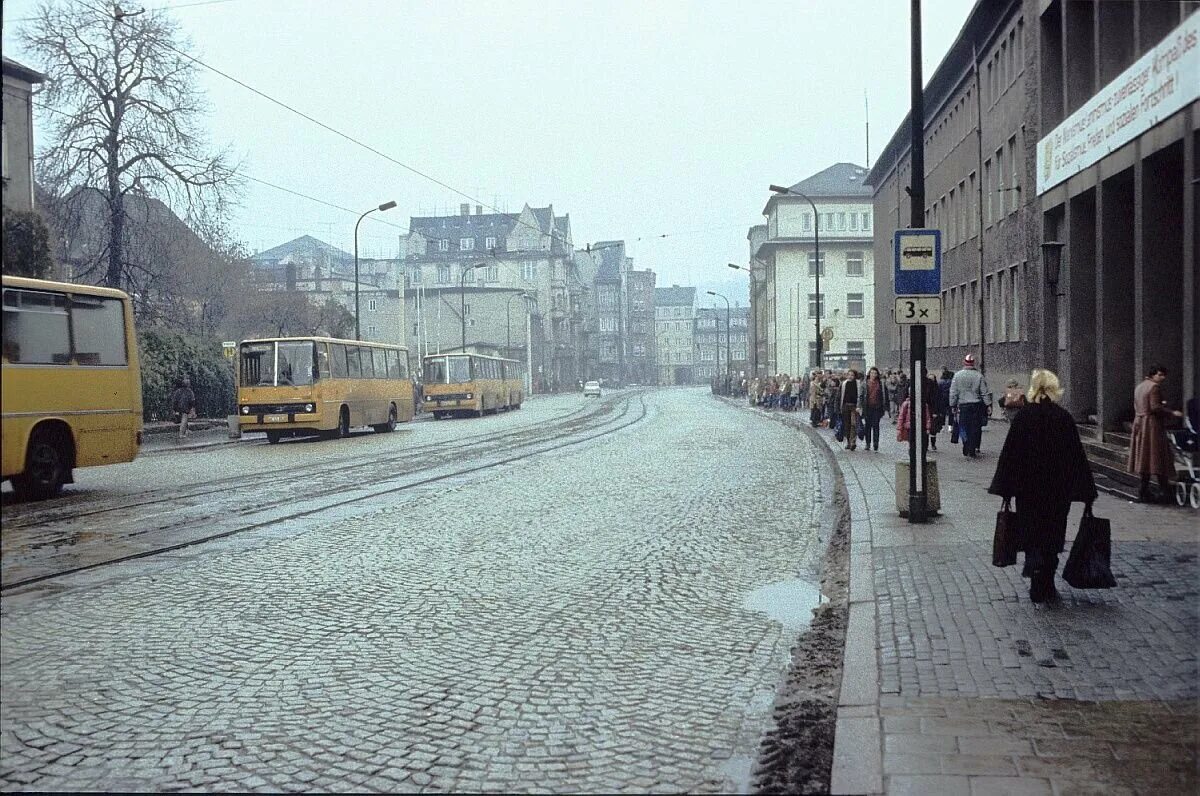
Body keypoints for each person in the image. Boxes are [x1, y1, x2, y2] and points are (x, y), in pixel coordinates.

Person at [988, 369, 1097, 603]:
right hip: (1057, 491)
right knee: (1053, 533)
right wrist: (1086, 490)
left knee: (1031, 532)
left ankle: (1035, 571)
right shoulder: (1063, 418)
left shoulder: (1024, 418)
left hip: (1028, 491)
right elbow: (1076, 456)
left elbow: (1010, 455)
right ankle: (1046, 579)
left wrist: (1005, 487)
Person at [1127, 364, 1184, 503]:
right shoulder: (1154, 387)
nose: (1162, 378)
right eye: (1160, 374)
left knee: (1145, 457)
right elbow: (1155, 407)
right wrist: (1171, 412)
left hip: (1140, 423)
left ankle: (1144, 490)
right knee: (1158, 455)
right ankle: (1163, 491)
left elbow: (1139, 404)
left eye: (1164, 375)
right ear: (1153, 374)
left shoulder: (1140, 386)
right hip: (1151, 426)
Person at [950, 354, 990, 457]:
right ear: (973, 363)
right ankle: (972, 447)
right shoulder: (979, 376)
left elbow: (953, 392)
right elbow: (984, 392)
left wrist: (952, 405)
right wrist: (988, 405)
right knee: (975, 427)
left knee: (963, 426)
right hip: (976, 405)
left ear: (964, 362)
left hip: (963, 405)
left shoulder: (957, 375)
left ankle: (965, 442)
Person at [860, 367, 889, 452]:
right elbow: (861, 396)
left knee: (876, 425)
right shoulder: (864, 383)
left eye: (875, 373)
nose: (873, 375)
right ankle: (868, 443)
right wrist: (859, 406)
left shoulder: (880, 383)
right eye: (872, 373)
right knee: (868, 426)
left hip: (877, 407)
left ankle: (876, 443)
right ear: (869, 374)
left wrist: (885, 406)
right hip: (867, 407)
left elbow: (884, 395)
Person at [839, 369, 861, 451]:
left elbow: (860, 395)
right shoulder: (844, 384)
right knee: (846, 424)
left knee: (853, 424)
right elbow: (840, 396)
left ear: (855, 376)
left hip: (854, 406)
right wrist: (839, 407)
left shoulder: (858, 384)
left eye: (852, 375)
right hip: (845, 406)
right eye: (849, 375)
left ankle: (853, 442)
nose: (850, 376)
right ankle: (848, 441)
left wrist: (859, 406)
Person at [170, 376, 197, 441]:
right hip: (185, 408)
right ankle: (181, 434)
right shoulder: (190, 392)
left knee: (184, 419)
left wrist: (174, 408)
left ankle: (186, 430)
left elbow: (174, 400)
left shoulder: (178, 391)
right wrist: (192, 408)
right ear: (188, 385)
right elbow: (192, 401)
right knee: (184, 420)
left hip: (178, 407)